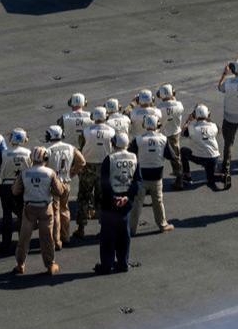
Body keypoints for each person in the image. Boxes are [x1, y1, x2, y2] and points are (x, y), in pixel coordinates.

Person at [12, 146, 65, 275]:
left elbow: (15, 191)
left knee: (24, 237)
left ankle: (20, 264)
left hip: (29, 208)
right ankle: (50, 265)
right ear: (45, 158)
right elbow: (60, 191)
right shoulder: (50, 173)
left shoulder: (24, 173)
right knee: (47, 238)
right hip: (45, 208)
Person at [96, 132, 140, 274]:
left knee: (108, 236)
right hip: (126, 203)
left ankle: (107, 265)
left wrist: (114, 198)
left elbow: (104, 182)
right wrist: (127, 197)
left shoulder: (109, 159)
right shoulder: (134, 158)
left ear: (114, 144)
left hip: (110, 203)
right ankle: (123, 263)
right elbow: (137, 181)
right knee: (124, 235)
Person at [127, 114, 175, 234]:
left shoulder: (138, 139)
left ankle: (131, 229)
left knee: (137, 204)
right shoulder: (163, 139)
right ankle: (162, 225)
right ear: (157, 125)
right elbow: (172, 156)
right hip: (157, 177)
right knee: (158, 202)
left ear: (144, 125)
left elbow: (129, 154)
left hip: (142, 176)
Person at [43, 124, 85, 248]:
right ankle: (66, 236)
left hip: (54, 183)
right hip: (66, 182)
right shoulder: (71, 148)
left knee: (55, 211)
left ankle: (56, 240)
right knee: (64, 209)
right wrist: (72, 173)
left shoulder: (48, 150)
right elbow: (82, 162)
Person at [75, 107, 114, 237]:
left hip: (88, 167)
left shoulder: (86, 132)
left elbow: (81, 147)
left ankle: (81, 227)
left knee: (84, 197)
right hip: (104, 166)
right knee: (102, 198)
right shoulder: (112, 131)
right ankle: (103, 227)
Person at [0, 128, 31, 253]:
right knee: (23, 215)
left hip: (6, 185)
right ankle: (23, 243)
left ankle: (6, 243)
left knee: (6, 215)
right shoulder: (28, 153)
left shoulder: (4, 153)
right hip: (23, 185)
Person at [180, 104, 222, 190]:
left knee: (183, 151)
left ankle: (187, 176)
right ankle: (220, 177)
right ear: (208, 115)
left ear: (195, 115)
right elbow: (218, 130)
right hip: (214, 157)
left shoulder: (192, 128)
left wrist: (188, 120)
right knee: (210, 179)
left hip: (200, 157)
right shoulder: (214, 126)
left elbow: (183, 133)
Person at [157, 84, 185, 181]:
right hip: (174, 133)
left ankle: (157, 178)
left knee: (159, 157)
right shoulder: (179, 105)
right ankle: (179, 177)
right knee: (176, 156)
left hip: (162, 134)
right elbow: (175, 103)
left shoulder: (159, 108)